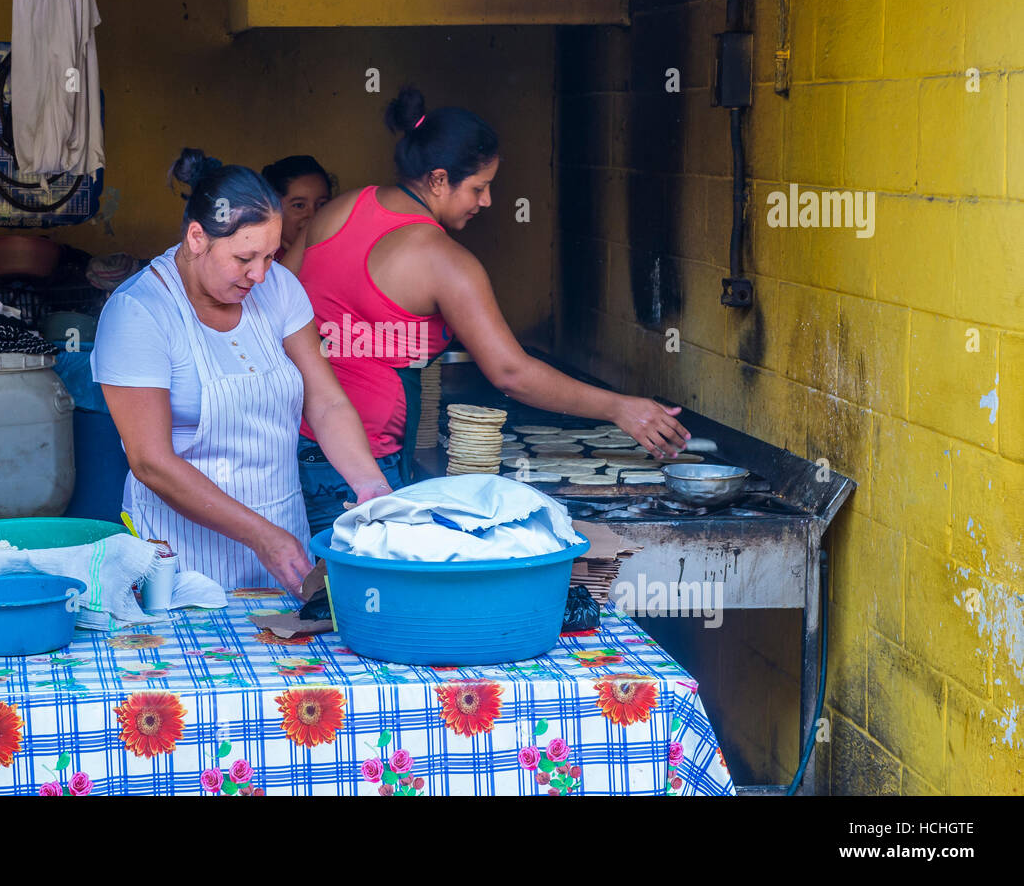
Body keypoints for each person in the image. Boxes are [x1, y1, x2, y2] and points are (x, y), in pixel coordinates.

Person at [282, 86, 690, 529]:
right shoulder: (444, 260)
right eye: (479, 187)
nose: (487, 201)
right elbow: (511, 374)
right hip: (362, 463)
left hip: (293, 441)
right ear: (438, 180)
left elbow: (274, 302)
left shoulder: (337, 210)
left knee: (308, 584)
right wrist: (619, 408)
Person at [92, 149, 392, 596]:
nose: (260, 274)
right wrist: (260, 537)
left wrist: (371, 486)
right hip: (181, 556)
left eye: (271, 256)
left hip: (282, 538)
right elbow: (151, 462)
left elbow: (326, 401)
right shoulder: (139, 312)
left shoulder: (279, 291)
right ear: (197, 238)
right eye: (244, 258)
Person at [261, 155, 335, 255]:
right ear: (272, 208)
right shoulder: (263, 260)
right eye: (299, 206)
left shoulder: (337, 252)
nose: (313, 215)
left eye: (322, 204)